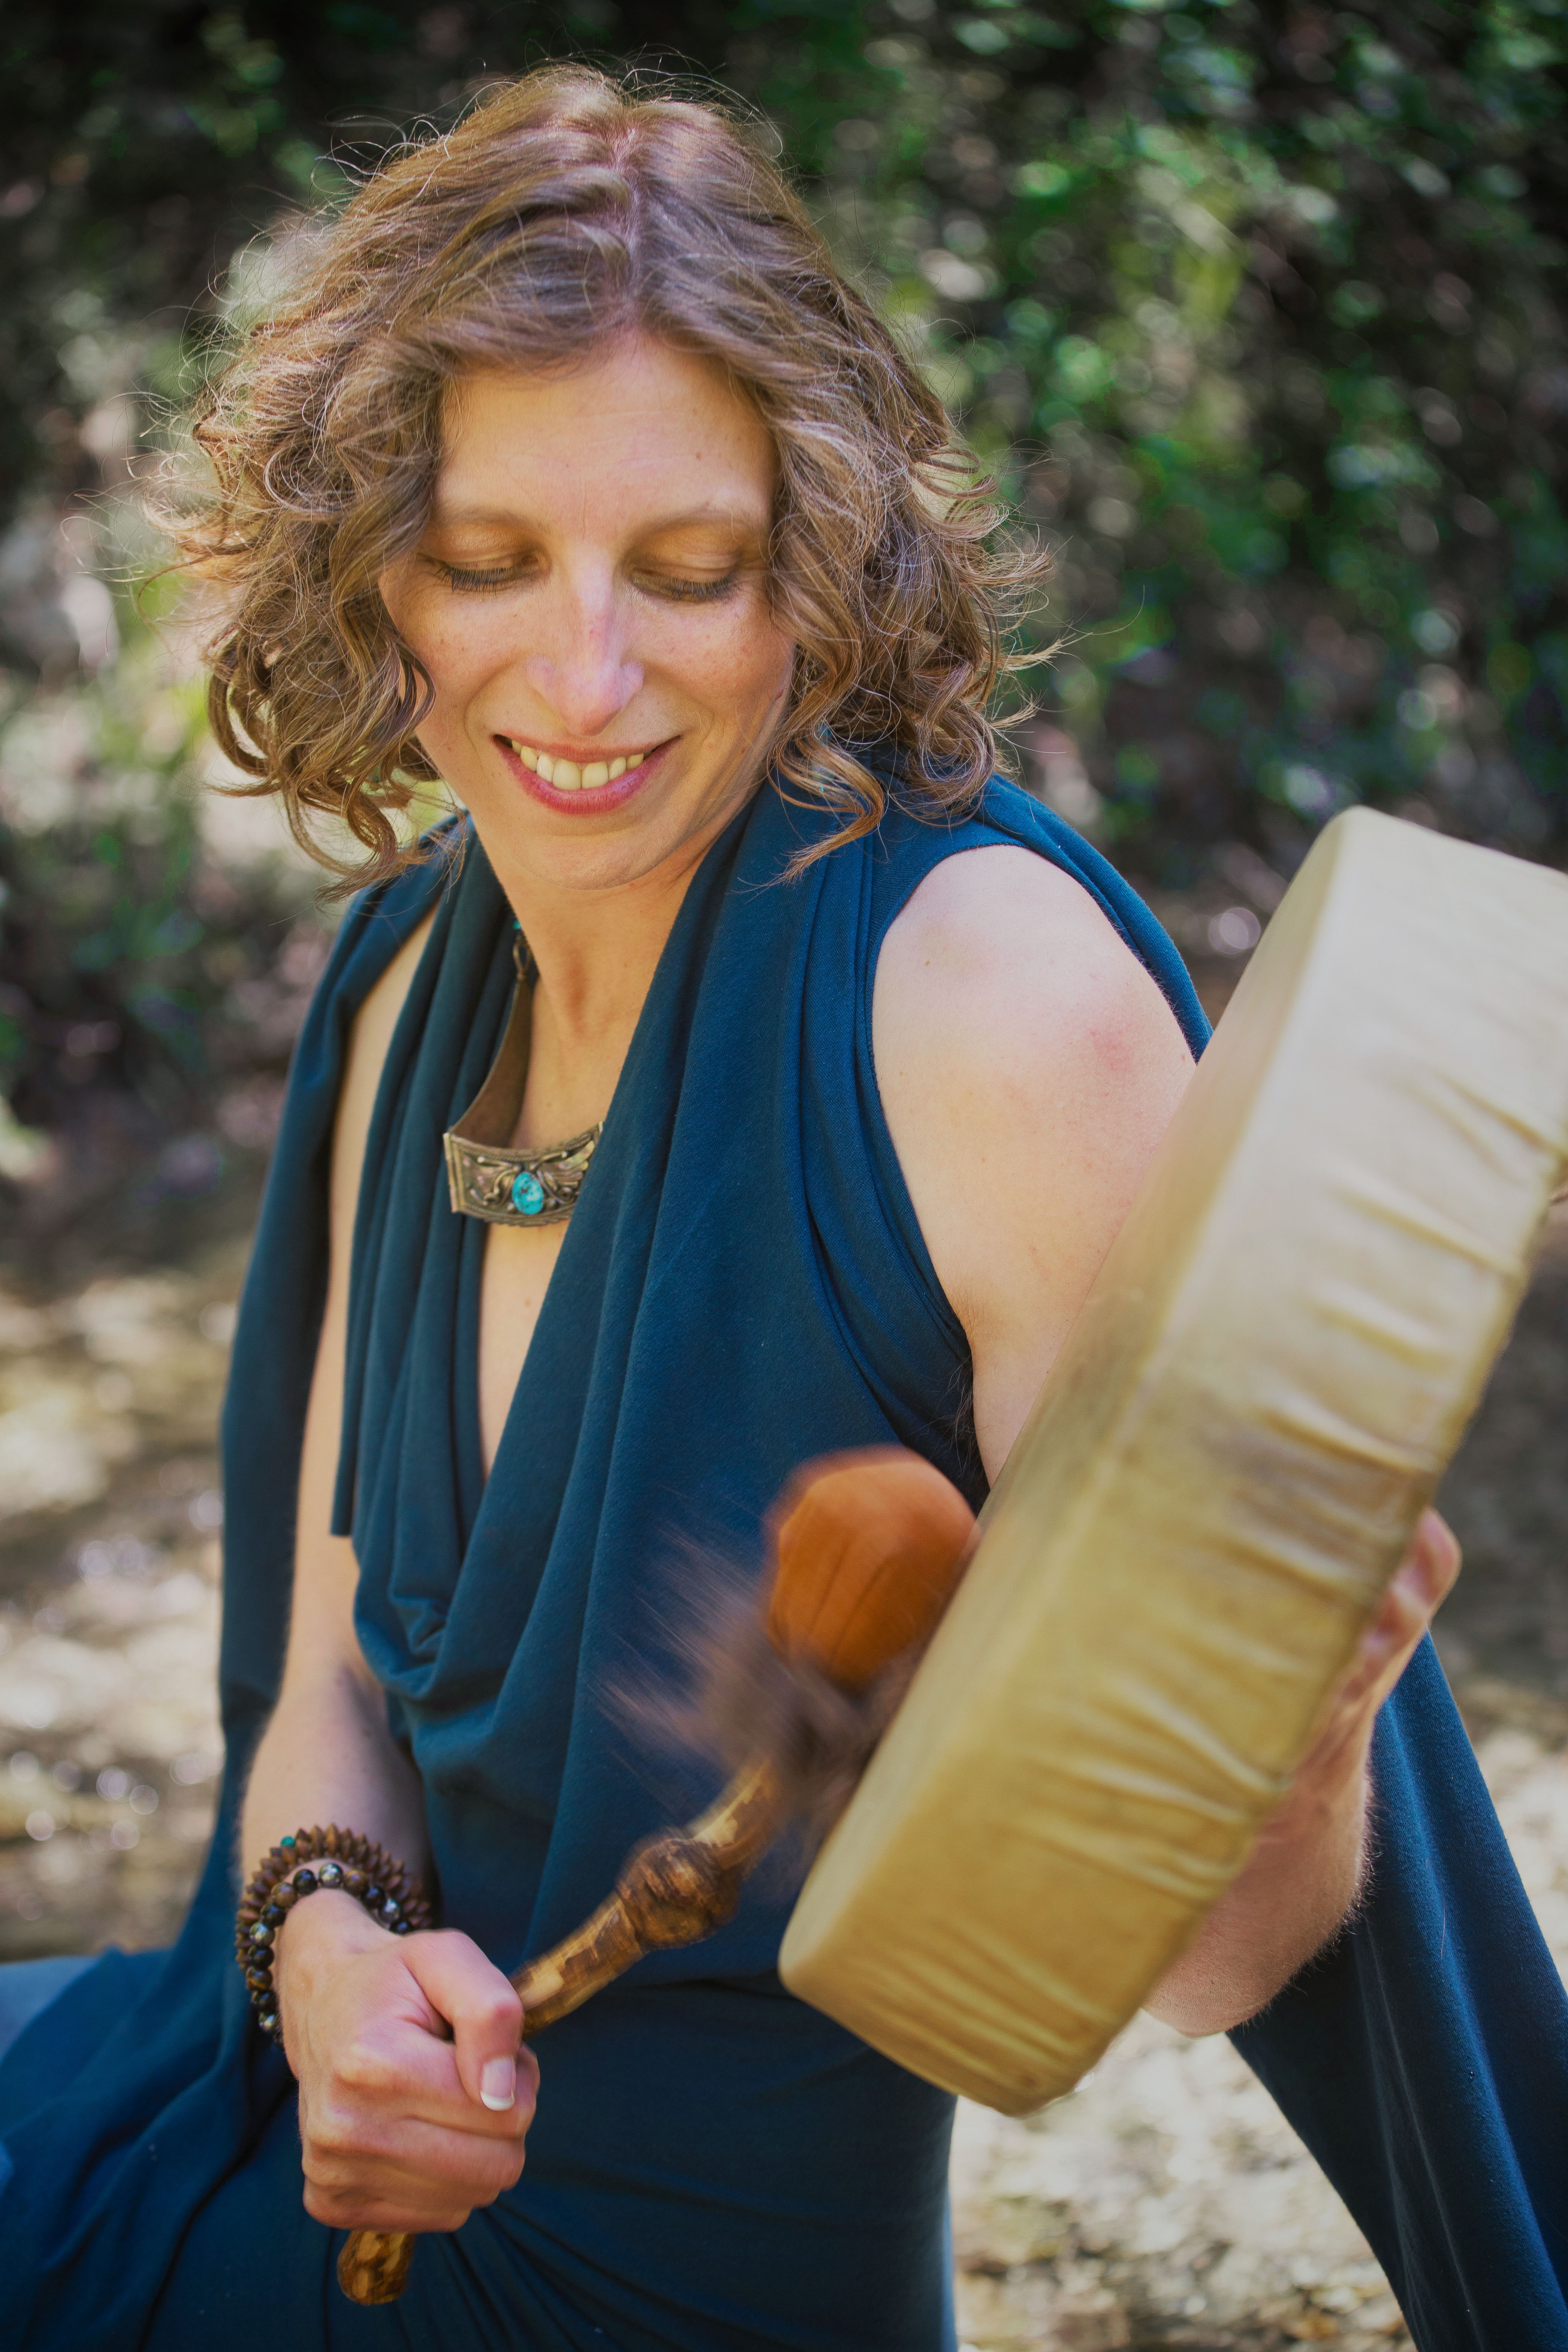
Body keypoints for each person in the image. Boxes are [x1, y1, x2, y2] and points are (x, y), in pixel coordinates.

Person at [1, 66, 1563, 2352]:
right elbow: (333, 1662)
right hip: (278, 2146)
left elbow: (1224, 1951)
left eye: (693, 569)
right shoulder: (417, 970)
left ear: (816, 570)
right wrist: (327, 1953)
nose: (592, 675)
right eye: (491, 557)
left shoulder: (982, 1009)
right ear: (371, 572)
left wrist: (1289, 1725)